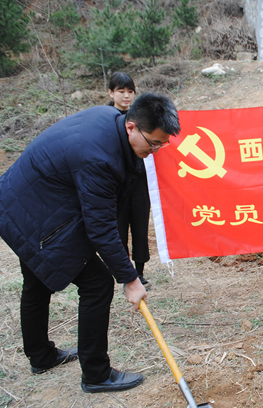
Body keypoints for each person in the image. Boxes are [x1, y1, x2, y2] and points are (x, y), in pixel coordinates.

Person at [0, 93, 180, 393]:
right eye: (153, 143)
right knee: (97, 283)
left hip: (22, 202)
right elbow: (101, 229)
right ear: (132, 127)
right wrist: (130, 278)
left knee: (36, 281)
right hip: (31, 213)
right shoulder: (99, 158)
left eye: (162, 145)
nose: (156, 150)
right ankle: (96, 374)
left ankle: (40, 355)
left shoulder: (110, 121)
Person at [108, 72, 152, 289]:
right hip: (116, 184)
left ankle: (140, 272)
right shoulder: (106, 117)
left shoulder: (141, 116)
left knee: (140, 227)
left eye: (130, 92)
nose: (126, 96)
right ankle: (124, 272)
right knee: (119, 228)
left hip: (140, 183)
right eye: (121, 91)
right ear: (111, 92)